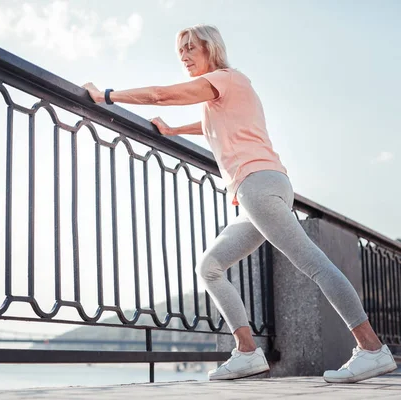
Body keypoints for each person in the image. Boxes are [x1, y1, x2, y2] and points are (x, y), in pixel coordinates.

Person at [83, 24, 397, 383]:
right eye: (179, 51)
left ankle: (372, 349)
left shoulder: (225, 78)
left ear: (211, 48)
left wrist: (104, 95)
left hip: (256, 186)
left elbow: (159, 94)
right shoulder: (227, 92)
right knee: (211, 267)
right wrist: (172, 131)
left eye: (191, 48)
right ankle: (247, 353)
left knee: (314, 264)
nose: (184, 56)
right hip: (263, 188)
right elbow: (213, 126)